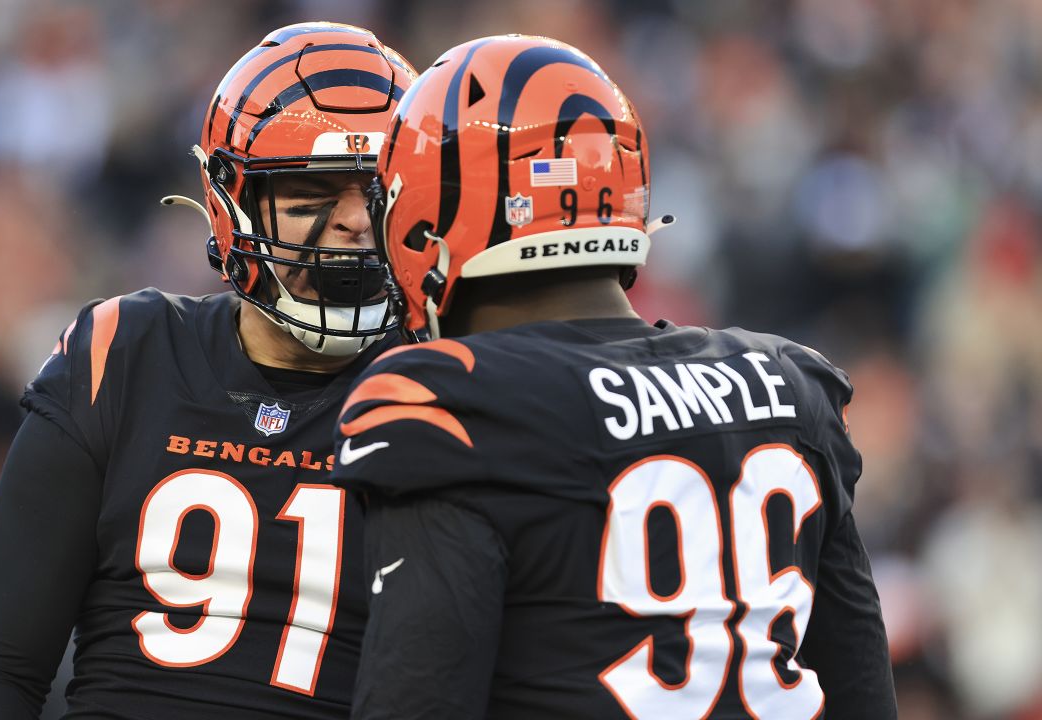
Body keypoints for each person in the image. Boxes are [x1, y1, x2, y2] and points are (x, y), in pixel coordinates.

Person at [332, 34, 898, 719]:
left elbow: (416, 701)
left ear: (427, 213)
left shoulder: (454, 403)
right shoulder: (788, 384)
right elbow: (863, 695)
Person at [0, 22, 416, 719]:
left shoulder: (440, 387)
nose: (352, 221)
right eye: (315, 190)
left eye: (375, 194)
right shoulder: (124, 349)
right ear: (232, 201)